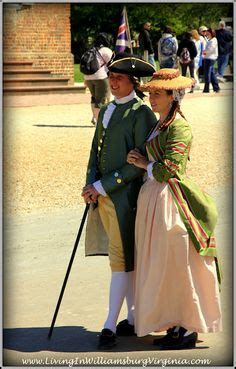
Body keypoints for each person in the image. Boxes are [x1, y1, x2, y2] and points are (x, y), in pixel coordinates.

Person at [127, 68, 222, 350]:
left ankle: (188, 326)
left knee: (177, 263)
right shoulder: (160, 123)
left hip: (171, 200)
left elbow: (171, 169)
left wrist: (144, 164)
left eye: (157, 93)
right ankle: (173, 322)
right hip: (154, 197)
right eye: (151, 93)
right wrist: (142, 157)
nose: (151, 98)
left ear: (173, 96)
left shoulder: (179, 126)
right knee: (161, 264)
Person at [82, 52, 157, 350]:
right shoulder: (108, 108)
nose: (112, 82)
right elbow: (94, 151)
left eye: (119, 78)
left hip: (127, 197)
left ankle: (109, 324)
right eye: (110, 77)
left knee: (121, 261)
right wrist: (90, 183)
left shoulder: (141, 113)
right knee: (123, 262)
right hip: (102, 195)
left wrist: (103, 185)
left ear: (133, 83)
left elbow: (138, 162)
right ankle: (135, 317)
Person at [83, 33, 113, 126]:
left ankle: (95, 118)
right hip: (100, 77)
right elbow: (112, 65)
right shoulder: (106, 50)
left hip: (88, 77)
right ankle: (99, 121)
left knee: (94, 98)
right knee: (101, 100)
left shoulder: (91, 50)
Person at [202, 28, 220, 93]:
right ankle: (216, 87)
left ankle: (206, 89)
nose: (206, 33)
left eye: (207, 32)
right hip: (208, 58)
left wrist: (204, 52)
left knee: (207, 74)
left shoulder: (213, 40)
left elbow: (210, 49)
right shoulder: (211, 40)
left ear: (210, 33)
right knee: (211, 74)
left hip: (210, 58)